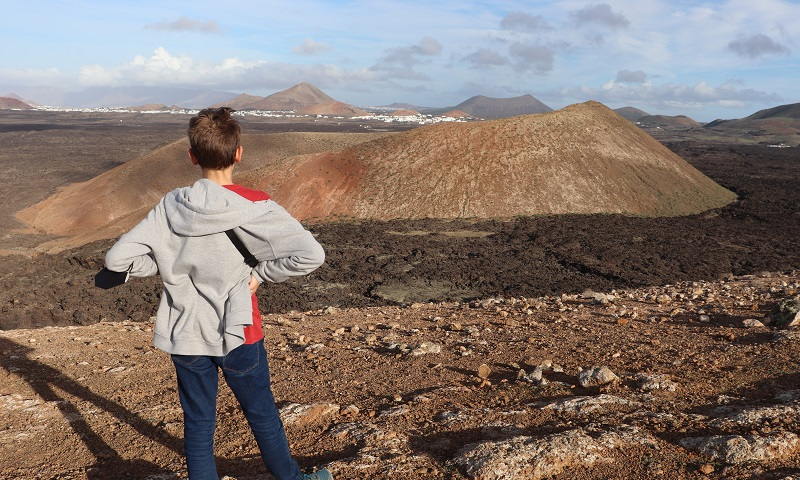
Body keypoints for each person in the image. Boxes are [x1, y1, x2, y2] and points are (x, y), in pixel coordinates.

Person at [104, 107, 332, 480]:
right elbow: (312, 255)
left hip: (185, 333)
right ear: (238, 153)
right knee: (262, 416)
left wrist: (165, 263)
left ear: (193, 156)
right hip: (239, 329)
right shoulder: (257, 205)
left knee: (198, 423)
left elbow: (118, 259)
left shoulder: (171, 204)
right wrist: (261, 274)